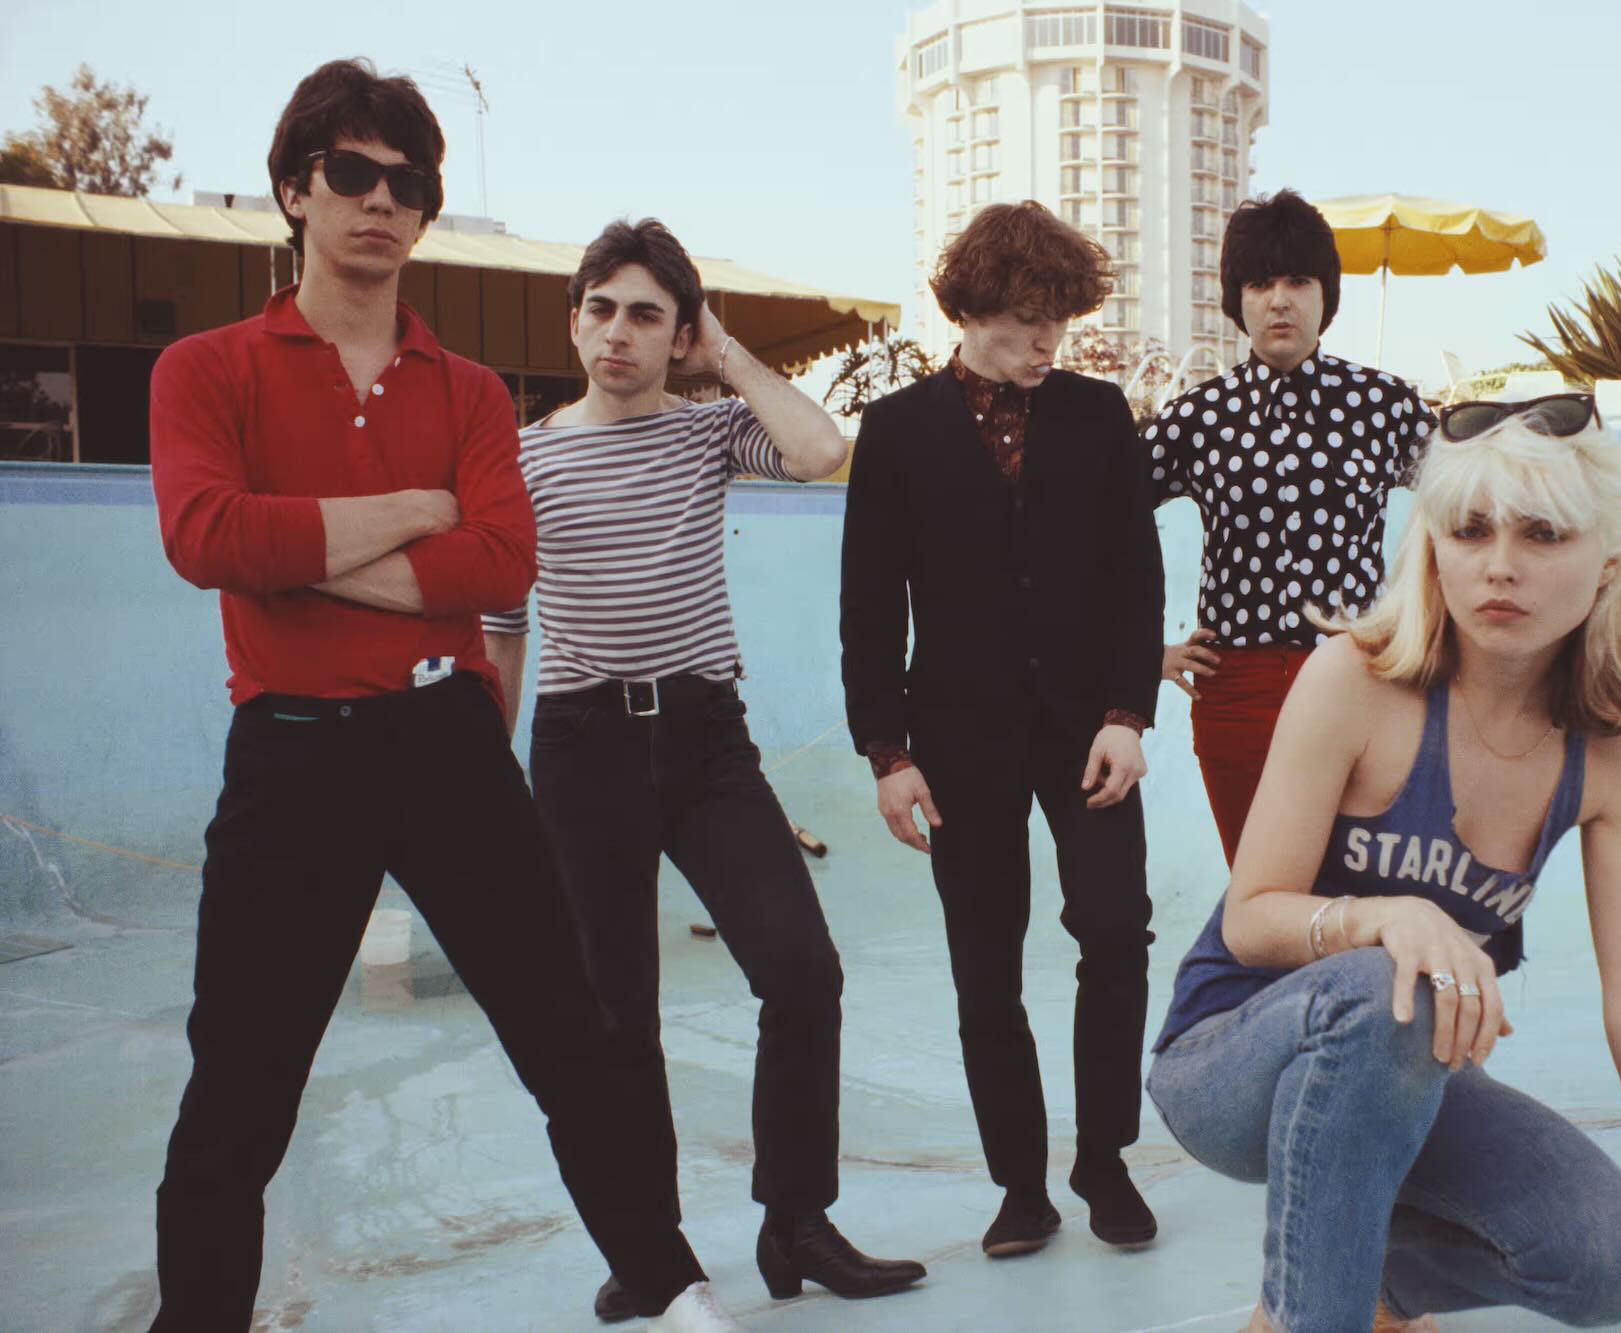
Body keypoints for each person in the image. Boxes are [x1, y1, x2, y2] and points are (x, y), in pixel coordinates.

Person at [146, 60, 719, 1331]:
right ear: (296, 190)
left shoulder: (465, 390)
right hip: (290, 751)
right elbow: (205, 537)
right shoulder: (205, 368)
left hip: (447, 741)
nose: (380, 201)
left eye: (408, 183)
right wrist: (409, 512)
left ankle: (673, 1295)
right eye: (350, 173)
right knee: (240, 1086)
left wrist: (302, 551)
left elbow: (501, 562)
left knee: (574, 1039)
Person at [1147, 396, 1621, 1333]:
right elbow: (1253, 913)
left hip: (1406, 1073)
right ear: (1433, 549)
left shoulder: (1608, 764)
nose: (1501, 563)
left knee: (1606, 1260)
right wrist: (1384, 917)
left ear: (1606, 564)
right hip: (1229, 1059)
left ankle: (1352, 1291)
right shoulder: (1355, 681)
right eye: (1470, 529)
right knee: (1385, 982)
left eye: (1544, 533)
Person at [480, 220, 925, 1322]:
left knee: (800, 967)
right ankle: (654, 1255)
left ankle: (796, 1218)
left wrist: (723, 351)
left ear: (678, 330)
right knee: (617, 1013)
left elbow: (824, 450)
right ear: (572, 318)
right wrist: (493, 772)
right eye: (600, 308)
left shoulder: (711, 431)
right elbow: (502, 627)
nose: (617, 332)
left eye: (645, 313)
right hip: (580, 745)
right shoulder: (525, 456)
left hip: (701, 738)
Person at [840, 201, 1166, 1258]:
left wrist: (1128, 713)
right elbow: (865, 604)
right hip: (956, 736)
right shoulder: (893, 431)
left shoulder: (1097, 413)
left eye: (1059, 320)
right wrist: (886, 754)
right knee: (985, 965)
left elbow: (1136, 577)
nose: (1047, 343)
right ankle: (1019, 1184)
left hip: (1086, 728)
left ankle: (1103, 1158)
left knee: (1114, 927)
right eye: (1029, 319)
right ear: (972, 307)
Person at [1149, 189, 1437, 866]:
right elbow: (1097, 527)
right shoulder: (1198, 417)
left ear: (1325, 296)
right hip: (1237, 689)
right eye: (1259, 282)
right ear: (1237, 301)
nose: (1279, 299)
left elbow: (1470, 511)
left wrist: (1427, 629)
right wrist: (1139, 650)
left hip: (1359, 678)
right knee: (1261, 896)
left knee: (1361, 891)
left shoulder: (1383, 404)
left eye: (1298, 280)